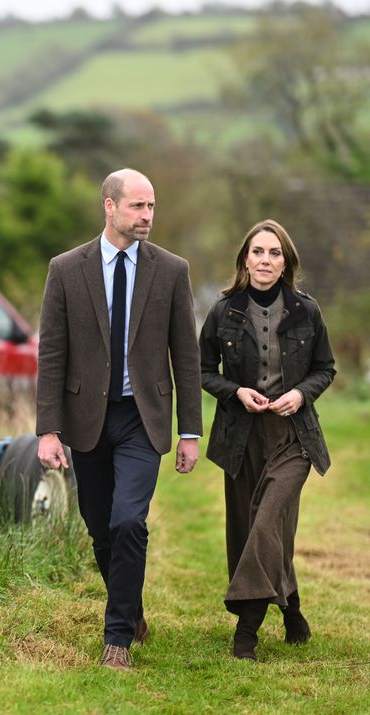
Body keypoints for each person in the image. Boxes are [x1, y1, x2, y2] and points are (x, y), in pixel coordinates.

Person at [35, 168, 203, 671]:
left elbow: (186, 356)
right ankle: (133, 610)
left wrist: (189, 431)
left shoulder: (172, 270)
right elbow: (52, 353)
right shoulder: (66, 269)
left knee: (129, 520)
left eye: (152, 206)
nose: (147, 215)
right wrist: (47, 428)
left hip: (141, 418)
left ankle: (117, 641)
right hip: (86, 417)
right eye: (137, 206)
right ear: (109, 206)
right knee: (100, 528)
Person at [199, 219, 335, 662]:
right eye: (258, 252)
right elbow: (201, 372)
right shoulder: (223, 312)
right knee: (253, 531)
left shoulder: (306, 311)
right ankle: (292, 609)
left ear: (285, 262)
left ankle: (247, 630)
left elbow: (324, 368)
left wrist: (300, 394)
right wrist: (235, 391)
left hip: (294, 437)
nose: (265, 260)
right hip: (241, 437)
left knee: (268, 520)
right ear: (245, 259)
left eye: (275, 253)